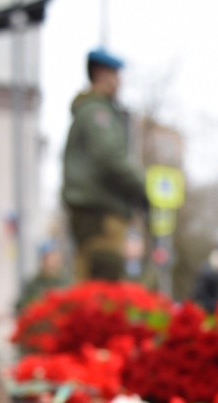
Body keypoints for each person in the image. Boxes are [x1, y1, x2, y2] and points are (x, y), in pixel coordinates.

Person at [62, 48, 150, 282]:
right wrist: (144, 188)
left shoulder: (90, 111)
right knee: (104, 289)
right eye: (116, 75)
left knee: (91, 284)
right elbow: (111, 159)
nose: (119, 82)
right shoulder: (98, 113)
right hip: (101, 215)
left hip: (93, 214)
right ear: (102, 75)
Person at [16, 241, 69, 314]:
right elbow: (20, 306)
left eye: (54, 257)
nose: (51, 261)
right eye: (47, 257)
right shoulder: (33, 284)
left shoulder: (67, 281)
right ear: (42, 260)